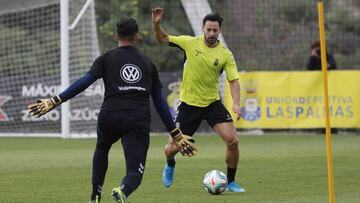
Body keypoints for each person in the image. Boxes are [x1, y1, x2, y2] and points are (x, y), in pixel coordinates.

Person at [27, 18, 197, 203]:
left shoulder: (106, 58)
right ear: (136, 37)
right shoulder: (148, 64)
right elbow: (160, 103)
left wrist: (54, 101)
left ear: (116, 36)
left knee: (102, 148)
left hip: (110, 116)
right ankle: (122, 190)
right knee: (134, 172)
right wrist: (175, 133)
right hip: (137, 120)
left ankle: (95, 196)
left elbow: (83, 83)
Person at [152, 7, 245, 192]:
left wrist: (236, 102)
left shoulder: (225, 54)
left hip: (212, 104)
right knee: (171, 149)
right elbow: (163, 38)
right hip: (188, 105)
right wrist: (156, 24)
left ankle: (232, 181)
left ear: (220, 31)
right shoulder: (189, 43)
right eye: (208, 29)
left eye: (215, 30)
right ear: (202, 28)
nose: (211, 33)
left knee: (233, 142)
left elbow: (233, 80)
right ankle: (170, 164)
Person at [306, 41, 338, 134]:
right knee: (320, 106)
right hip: (317, 88)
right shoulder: (314, 58)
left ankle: (333, 127)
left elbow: (333, 66)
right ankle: (322, 127)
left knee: (331, 106)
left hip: (330, 85)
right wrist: (313, 57)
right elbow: (309, 68)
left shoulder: (328, 56)